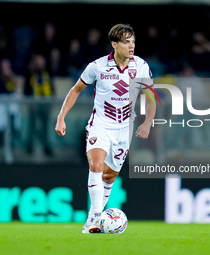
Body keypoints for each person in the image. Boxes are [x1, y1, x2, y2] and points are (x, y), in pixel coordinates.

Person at [55, 24, 156, 233]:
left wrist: (147, 122)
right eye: (126, 42)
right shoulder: (97, 67)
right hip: (100, 125)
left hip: (124, 129)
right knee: (96, 165)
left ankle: (96, 216)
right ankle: (95, 218)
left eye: (133, 41)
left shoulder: (141, 66)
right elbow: (76, 90)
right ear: (114, 44)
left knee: (109, 177)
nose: (131, 46)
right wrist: (61, 116)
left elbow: (151, 98)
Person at [24, 54, 54, 155]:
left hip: (46, 104)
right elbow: (26, 90)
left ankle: (46, 146)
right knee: (32, 126)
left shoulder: (47, 74)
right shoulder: (30, 74)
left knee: (46, 127)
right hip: (34, 105)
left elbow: (52, 89)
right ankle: (30, 146)